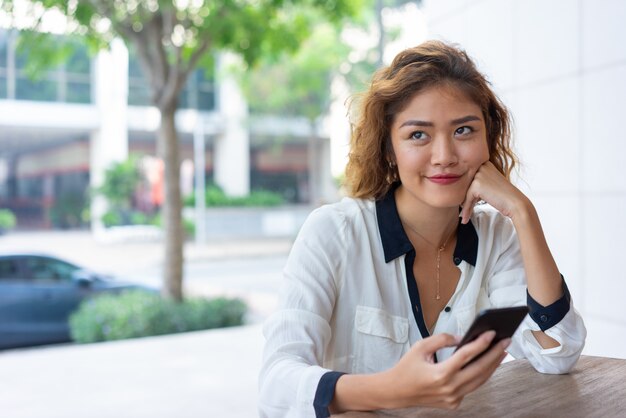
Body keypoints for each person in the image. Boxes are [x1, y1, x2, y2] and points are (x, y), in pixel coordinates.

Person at [259, 40, 586, 418]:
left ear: (488, 140)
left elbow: (557, 352)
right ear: (388, 150)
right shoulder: (335, 232)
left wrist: (523, 211)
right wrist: (390, 390)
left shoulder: (496, 236)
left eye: (464, 130)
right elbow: (275, 385)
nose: (445, 156)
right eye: (418, 135)